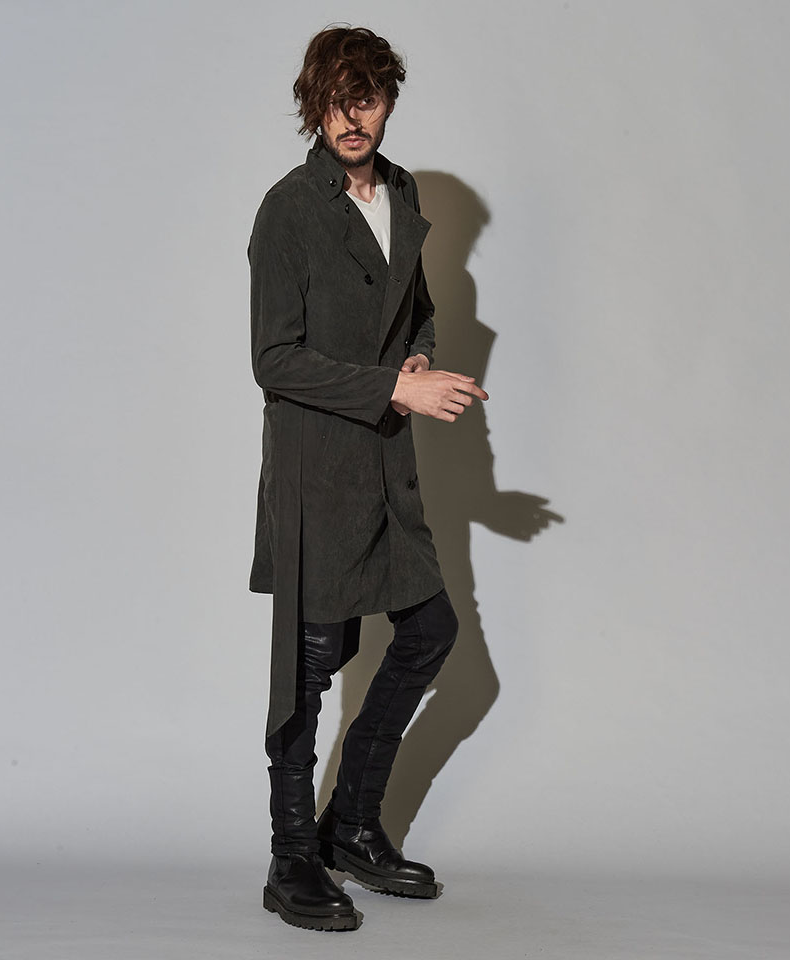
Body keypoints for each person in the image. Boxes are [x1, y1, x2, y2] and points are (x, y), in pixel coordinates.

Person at [247, 25, 489, 932]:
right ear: (313, 106)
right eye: (336, 100)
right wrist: (395, 388)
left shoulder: (403, 191)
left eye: (369, 98)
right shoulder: (288, 208)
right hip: (317, 471)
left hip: (389, 464)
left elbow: (414, 309)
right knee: (308, 668)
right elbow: (274, 359)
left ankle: (350, 825)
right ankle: (290, 859)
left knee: (430, 629)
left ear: (388, 102)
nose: (353, 117)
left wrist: (418, 360)